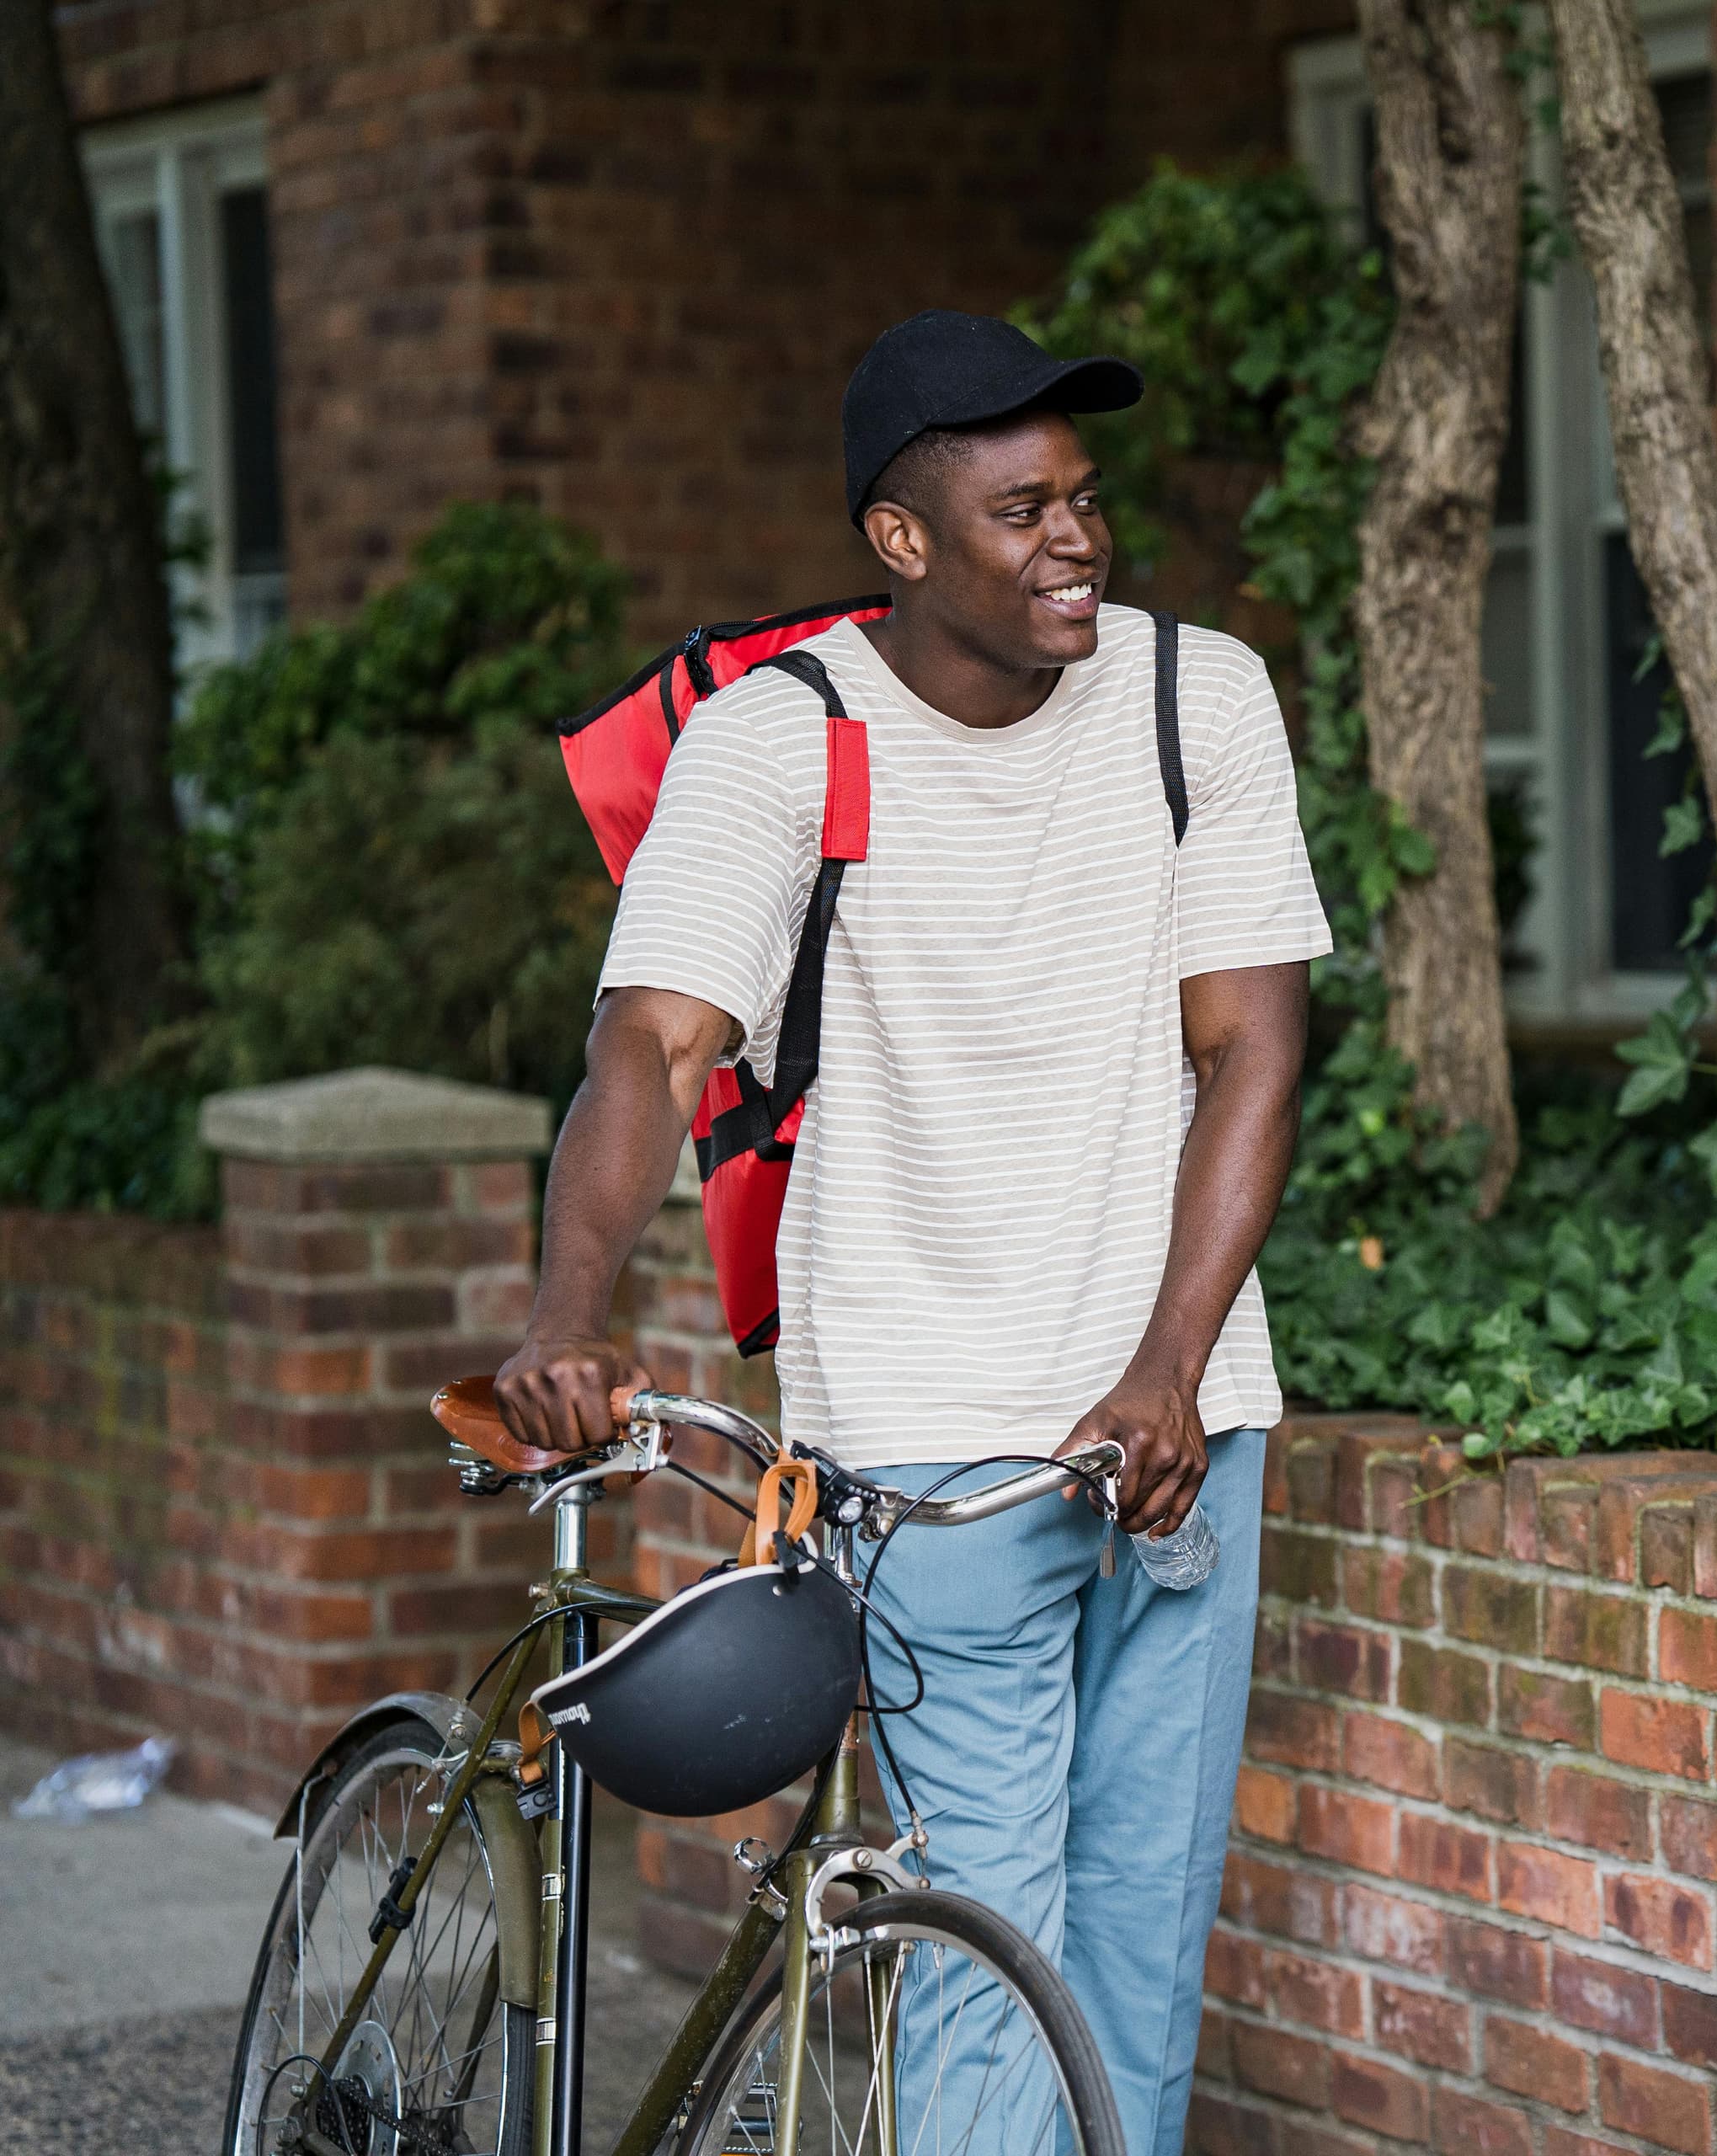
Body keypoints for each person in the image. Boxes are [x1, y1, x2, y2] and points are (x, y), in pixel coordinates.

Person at [492, 309, 1330, 2156]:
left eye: (1085, 497)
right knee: (986, 1950)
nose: (1077, 538)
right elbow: (651, 1044)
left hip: (1182, 1423)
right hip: (926, 1435)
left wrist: (1170, 1370)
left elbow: (1253, 1049)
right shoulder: (780, 743)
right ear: (900, 538)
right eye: (1023, 509)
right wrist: (571, 1307)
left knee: (1140, 1959)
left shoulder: (1196, 701)